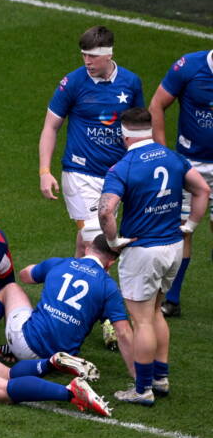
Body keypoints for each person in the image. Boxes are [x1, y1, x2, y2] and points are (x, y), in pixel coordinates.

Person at [99, 107, 210, 405]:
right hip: (173, 247)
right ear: (149, 129)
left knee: (141, 320)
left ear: (124, 135)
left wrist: (112, 240)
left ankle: (142, 389)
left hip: (143, 251)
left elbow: (106, 210)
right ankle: (160, 378)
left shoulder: (123, 167)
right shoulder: (172, 157)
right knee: (156, 311)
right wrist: (190, 226)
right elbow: (202, 189)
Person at [38, 26, 144, 257]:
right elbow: (50, 126)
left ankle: (73, 282)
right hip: (80, 173)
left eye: (93, 56)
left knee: (86, 241)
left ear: (109, 54)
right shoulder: (72, 83)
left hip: (116, 175)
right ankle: (97, 290)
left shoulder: (131, 83)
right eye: (84, 55)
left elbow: (140, 128)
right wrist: (44, 170)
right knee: (99, 241)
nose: (87, 61)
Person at [0, 235, 134, 367]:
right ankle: (14, 351)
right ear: (111, 263)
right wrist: (138, 377)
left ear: (87, 248)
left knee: (11, 289)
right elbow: (124, 332)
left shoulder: (59, 264)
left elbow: (24, 275)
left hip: (27, 345)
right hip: (60, 360)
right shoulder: (109, 287)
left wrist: (45, 270)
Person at [147, 48, 213, 317]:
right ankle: (172, 298)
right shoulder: (188, 66)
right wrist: (165, 155)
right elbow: (156, 105)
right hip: (190, 165)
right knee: (183, 230)